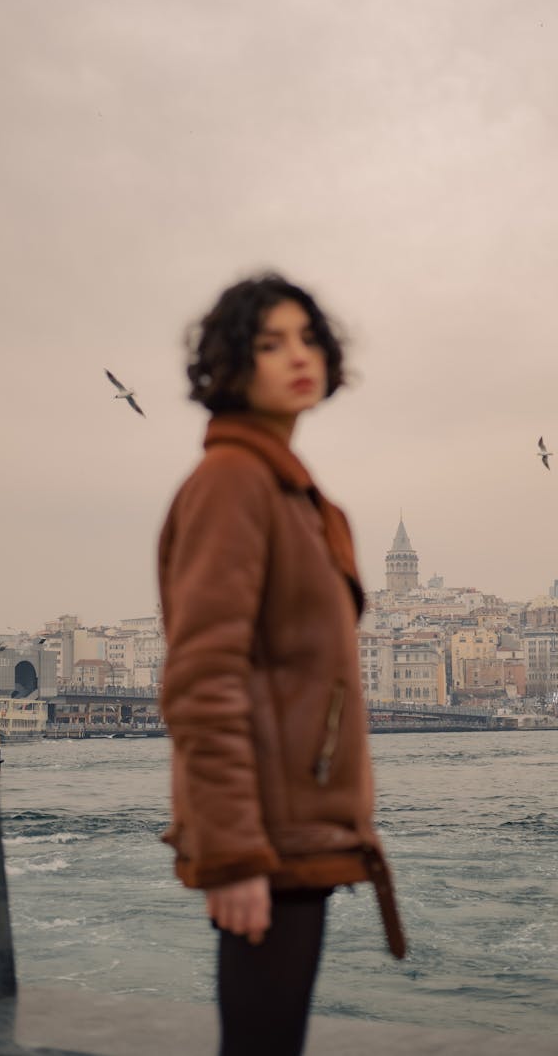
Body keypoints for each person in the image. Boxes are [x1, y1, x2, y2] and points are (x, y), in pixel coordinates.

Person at [158, 274, 405, 1056]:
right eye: (269, 344)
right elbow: (203, 679)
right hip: (264, 832)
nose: (297, 355)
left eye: (307, 337)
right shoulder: (235, 483)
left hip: (294, 824)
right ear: (231, 366)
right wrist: (233, 854)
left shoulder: (292, 492)